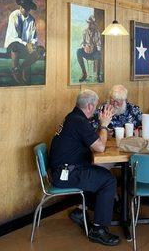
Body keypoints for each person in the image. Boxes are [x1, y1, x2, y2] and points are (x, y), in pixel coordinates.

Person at [49, 89, 120, 246]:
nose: (95, 109)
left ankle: (81, 211)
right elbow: (100, 148)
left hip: (64, 169)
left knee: (100, 171)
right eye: (94, 106)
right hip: (64, 174)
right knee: (107, 180)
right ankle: (98, 230)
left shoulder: (74, 117)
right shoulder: (79, 121)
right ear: (89, 106)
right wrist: (104, 125)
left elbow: (91, 141)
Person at [4, 0, 45, 84]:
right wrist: (27, 44)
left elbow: (34, 37)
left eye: (26, 8)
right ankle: (15, 69)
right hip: (13, 46)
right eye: (22, 7)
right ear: (20, 7)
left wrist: (32, 44)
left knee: (41, 50)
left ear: (29, 9)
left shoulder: (31, 19)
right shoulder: (14, 16)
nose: (24, 10)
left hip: (25, 47)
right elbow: (14, 37)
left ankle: (22, 68)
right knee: (15, 45)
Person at [76, 15, 103, 83]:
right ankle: (84, 73)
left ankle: (98, 75)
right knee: (78, 51)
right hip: (86, 51)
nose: (89, 24)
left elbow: (99, 44)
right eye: (88, 23)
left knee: (99, 55)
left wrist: (94, 48)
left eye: (91, 23)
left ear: (94, 24)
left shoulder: (97, 33)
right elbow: (82, 42)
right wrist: (85, 46)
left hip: (94, 53)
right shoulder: (84, 32)